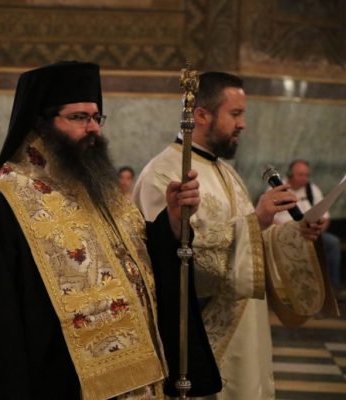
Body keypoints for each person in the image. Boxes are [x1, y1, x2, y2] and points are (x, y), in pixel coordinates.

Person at [0, 61, 221, 400]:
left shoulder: (100, 190)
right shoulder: (3, 206)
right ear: (41, 123)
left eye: (96, 117)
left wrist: (173, 223)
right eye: (79, 117)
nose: (93, 128)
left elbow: (139, 262)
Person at [133, 71, 332, 400]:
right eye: (235, 114)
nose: (243, 124)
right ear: (201, 115)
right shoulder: (163, 174)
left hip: (248, 331)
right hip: (206, 336)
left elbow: (252, 244)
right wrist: (256, 220)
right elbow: (171, 261)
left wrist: (294, 233)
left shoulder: (227, 172)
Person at [274, 159, 342, 289]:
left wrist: (319, 229)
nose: (304, 178)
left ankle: (332, 287)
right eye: (300, 175)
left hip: (312, 233)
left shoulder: (312, 189)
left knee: (333, 242)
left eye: (307, 175)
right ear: (290, 174)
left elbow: (326, 216)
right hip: (286, 235)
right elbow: (271, 219)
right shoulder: (277, 189)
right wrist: (289, 231)